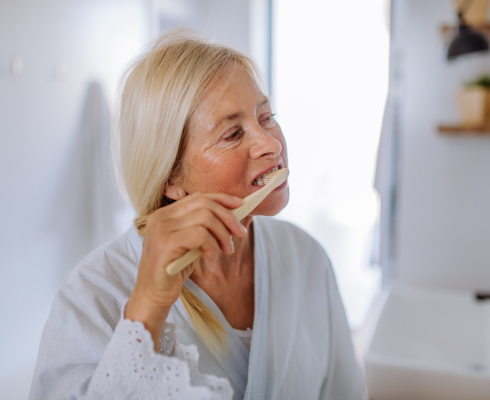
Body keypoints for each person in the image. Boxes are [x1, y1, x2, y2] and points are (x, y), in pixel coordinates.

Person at [29, 28, 365, 400]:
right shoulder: (91, 298)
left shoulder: (306, 257)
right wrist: (148, 311)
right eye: (233, 134)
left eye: (266, 116)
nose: (272, 144)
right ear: (171, 177)